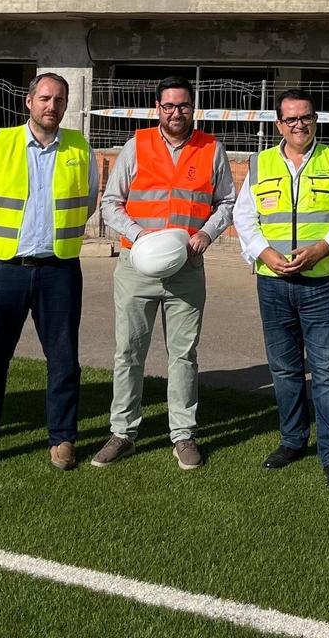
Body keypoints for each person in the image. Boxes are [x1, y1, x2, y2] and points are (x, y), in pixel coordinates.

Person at [0, 72, 97, 476]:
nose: (52, 106)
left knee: (64, 361)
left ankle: (62, 438)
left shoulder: (80, 149)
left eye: (59, 100)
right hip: (3, 268)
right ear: (29, 102)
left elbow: (87, 202)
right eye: (45, 98)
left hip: (58, 269)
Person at [95, 75, 236, 471]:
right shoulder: (136, 145)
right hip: (136, 267)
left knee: (184, 355)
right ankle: (123, 433)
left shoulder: (211, 148)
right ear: (157, 108)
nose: (176, 113)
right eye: (169, 106)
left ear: (193, 108)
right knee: (128, 352)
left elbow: (226, 202)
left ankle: (183, 434)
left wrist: (207, 233)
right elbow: (110, 203)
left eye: (183, 105)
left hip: (186, 268)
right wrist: (140, 237)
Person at [232, 88, 329, 489]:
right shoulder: (259, 163)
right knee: (284, 368)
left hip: (321, 281)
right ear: (279, 124)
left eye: (305, 117)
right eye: (290, 119)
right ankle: (292, 440)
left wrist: (321, 249)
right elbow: (244, 217)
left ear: (315, 120)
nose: (299, 125)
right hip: (273, 283)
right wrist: (264, 253)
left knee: (328, 372)